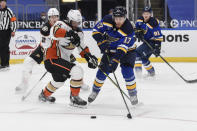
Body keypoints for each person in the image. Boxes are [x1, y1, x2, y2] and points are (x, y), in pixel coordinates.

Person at [15, 8, 90, 94]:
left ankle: (81, 82)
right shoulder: (45, 28)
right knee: (28, 61)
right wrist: (50, 57)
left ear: (59, 17)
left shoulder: (62, 25)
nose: (54, 19)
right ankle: (24, 83)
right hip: (44, 49)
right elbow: (46, 43)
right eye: (51, 17)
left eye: (56, 17)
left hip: (60, 50)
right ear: (48, 18)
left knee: (76, 66)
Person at [38, 9, 98, 107]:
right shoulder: (60, 24)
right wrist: (69, 34)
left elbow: (82, 47)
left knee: (59, 81)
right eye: (74, 22)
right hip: (52, 58)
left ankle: (44, 95)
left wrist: (89, 57)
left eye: (78, 22)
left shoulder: (79, 33)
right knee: (77, 71)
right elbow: (55, 31)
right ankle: (74, 98)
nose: (76, 24)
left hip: (62, 60)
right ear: (69, 20)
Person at [88, 6, 138, 105]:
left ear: (125, 17)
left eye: (121, 19)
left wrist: (115, 61)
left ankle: (133, 94)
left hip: (127, 51)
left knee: (127, 70)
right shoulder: (107, 20)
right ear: (113, 17)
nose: (118, 21)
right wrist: (102, 44)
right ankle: (94, 91)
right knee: (102, 71)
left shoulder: (128, 29)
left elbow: (122, 48)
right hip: (110, 49)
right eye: (116, 18)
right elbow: (95, 32)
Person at [134, 6, 163, 77]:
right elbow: (136, 28)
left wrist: (157, 48)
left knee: (137, 53)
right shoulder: (140, 20)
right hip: (146, 42)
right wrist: (138, 32)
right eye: (144, 13)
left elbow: (158, 37)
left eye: (147, 13)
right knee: (144, 58)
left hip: (153, 43)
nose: (145, 15)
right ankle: (151, 72)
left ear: (151, 14)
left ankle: (138, 74)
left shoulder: (154, 23)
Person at [0, 0, 16, 70]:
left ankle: (5, 64)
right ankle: (4, 64)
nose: (3, 3)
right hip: (0, 31)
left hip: (6, 31)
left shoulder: (9, 10)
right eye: (1, 2)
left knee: (4, 47)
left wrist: (13, 30)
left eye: (4, 2)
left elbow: (13, 20)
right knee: (2, 47)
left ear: (5, 3)